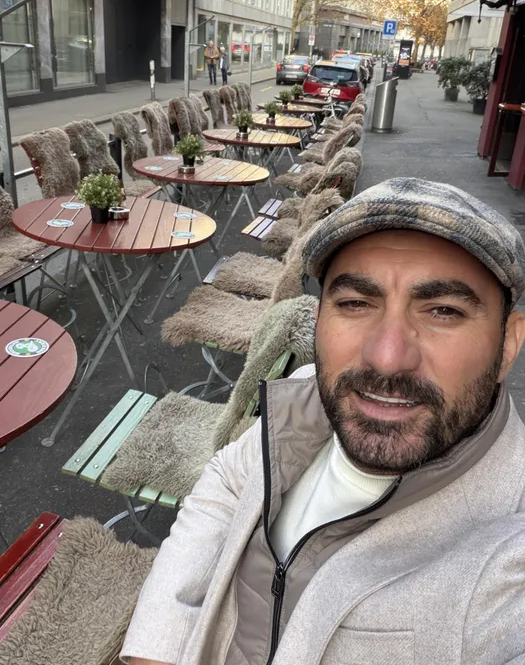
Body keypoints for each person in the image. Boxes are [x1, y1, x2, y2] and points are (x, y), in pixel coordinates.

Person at [122, 177, 525, 665]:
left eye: (443, 310)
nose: (387, 357)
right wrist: (158, 644)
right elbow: (228, 480)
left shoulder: (507, 563)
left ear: (507, 344)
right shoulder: (310, 397)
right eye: (355, 303)